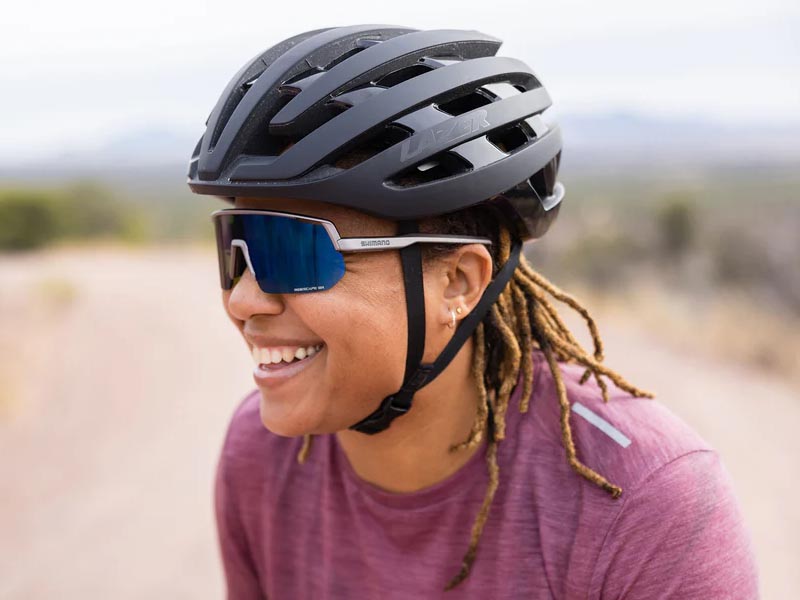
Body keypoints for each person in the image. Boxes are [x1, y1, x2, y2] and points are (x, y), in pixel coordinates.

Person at [186, 24, 760, 599]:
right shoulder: (260, 456)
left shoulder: (644, 503)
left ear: (457, 282)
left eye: (292, 252)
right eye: (235, 245)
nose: (242, 299)